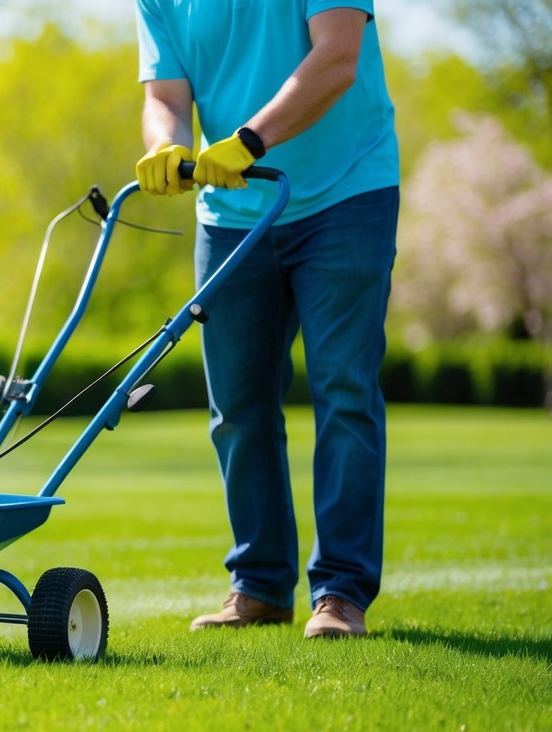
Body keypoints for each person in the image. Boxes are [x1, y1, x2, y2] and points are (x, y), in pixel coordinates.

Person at [133, 1, 399, 638]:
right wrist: (166, 145)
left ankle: (340, 592)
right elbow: (165, 94)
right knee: (238, 407)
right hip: (229, 215)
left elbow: (337, 58)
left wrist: (251, 139)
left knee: (343, 389)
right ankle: (260, 586)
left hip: (346, 192)